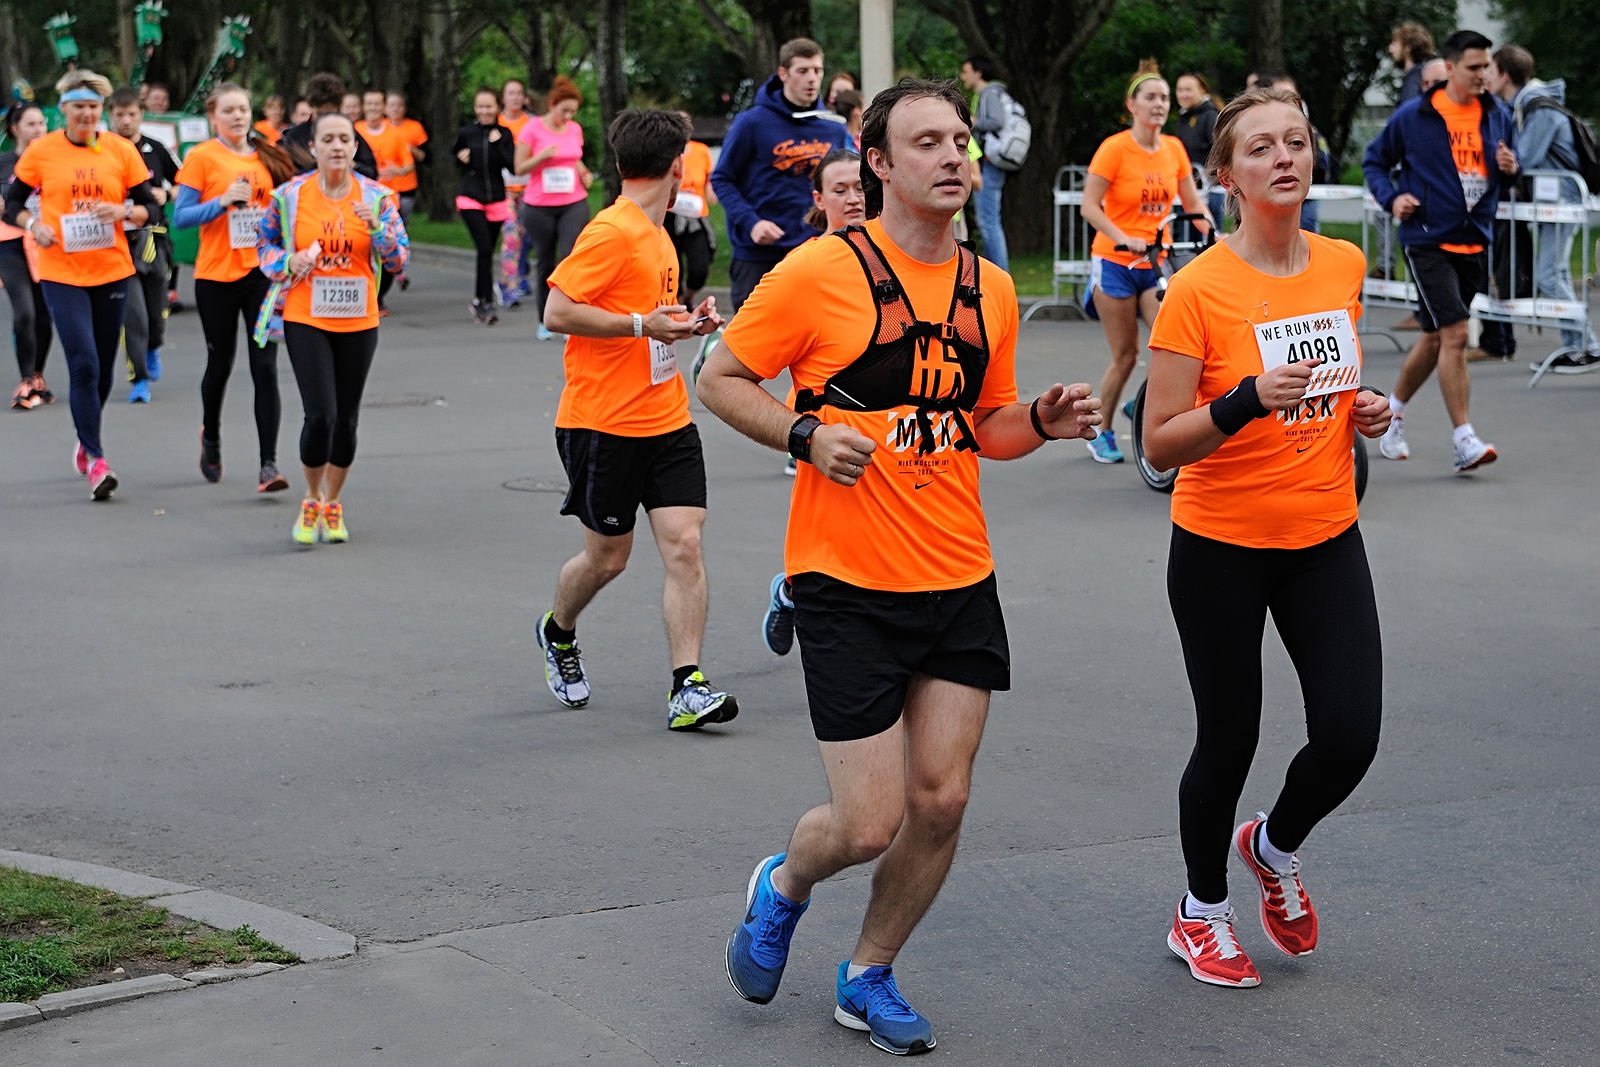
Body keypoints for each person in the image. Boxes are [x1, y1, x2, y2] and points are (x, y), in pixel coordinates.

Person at [698, 78, 1101, 1056]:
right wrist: (802, 433)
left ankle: (868, 971)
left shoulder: (991, 285)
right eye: (927, 142)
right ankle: (784, 884)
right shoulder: (816, 272)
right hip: (842, 577)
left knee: (944, 798)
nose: (954, 156)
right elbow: (717, 376)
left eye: (960, 139)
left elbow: (985, 423)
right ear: (877, 163)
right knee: (870, 819)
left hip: (958, 570)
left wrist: (1039, 422)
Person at [1142, 85, 1391, 991]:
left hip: (1325, 532)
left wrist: (1365, 407)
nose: (1284, 156)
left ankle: (1273, 843)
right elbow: (1158, 442)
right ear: (1227, 174)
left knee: (1351, 733)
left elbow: (1335, 390)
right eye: (1261, 148)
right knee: (1230, 738)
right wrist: (1246, 400)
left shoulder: (1342, 264)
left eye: (1297, 140)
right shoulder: (1199, 290)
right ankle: (1199, 909)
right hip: (1220, 544)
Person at [535, 108, 731, 731]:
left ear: (619, 163)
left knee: (686, 544)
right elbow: (557, 311)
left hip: (667, 418)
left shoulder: (658, 233)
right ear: (678, 166)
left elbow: (646, 317)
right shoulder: (611, 231)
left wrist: (682, 323)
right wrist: (641, 324)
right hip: (602, 424)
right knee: (607, 560)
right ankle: (558, 630)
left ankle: (687, 685)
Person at [2, 69, 162, 500]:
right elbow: (12, 206)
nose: (88, 114)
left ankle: (85, 436)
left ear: (101, 111)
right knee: (84, 363)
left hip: (112, 270)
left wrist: (125, 212)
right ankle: (96, 458)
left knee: (104, 367)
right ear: (65, 111)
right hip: (61, 272)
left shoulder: (121, 150)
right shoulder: (42, 152)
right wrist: (33, 225)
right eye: (79, 107)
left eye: (94, 107)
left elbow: (151, 207)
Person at [1363, 29, 1519, 473]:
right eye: (1473, 68)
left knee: (1434, 337)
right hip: (1427, 237)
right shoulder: (1415, 115)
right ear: (1449, 68)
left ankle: (1391, 413)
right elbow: (1375, 161)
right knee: (1455, 335)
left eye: (1486, 67)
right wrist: (1393, 199)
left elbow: (1505, 169)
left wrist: (1510, 169)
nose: (1483, 76)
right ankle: (1464, 439)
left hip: (1474, 237)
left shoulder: (1497, 114)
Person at [255, 111, 408, 545]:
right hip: (307, 316)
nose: (338, 146)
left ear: (355, 148)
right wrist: (289, 261)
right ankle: (311, 496)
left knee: (346, 420)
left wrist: (377, 229)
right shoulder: (289, 197)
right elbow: (263, 245)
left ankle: (334, 501)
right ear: (314, 148)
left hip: (359, 319)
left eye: (345, 138)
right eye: (329, 139)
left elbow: (399, 259)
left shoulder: (378, 198)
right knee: (319, 415)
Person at [758, 146, 864, 654]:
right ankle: (794, 590)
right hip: (826, 432)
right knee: (834, 536)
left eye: (860, 187)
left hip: (899, 430)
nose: (853, 199)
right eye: (839, 191)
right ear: (819, 199)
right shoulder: (805, 269)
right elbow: (763, 358)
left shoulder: (895, 256)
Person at [1080, 62, 1212, 464]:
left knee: (1174, 346)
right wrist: (1122, 237)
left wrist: (1216, 235)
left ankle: (1141, 406)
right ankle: (1099, 431)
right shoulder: (1115, 148)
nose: (1159, 105)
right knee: (1126, 355)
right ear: (1132, 105)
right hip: (1116, 262)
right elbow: (1089, 205)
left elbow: (1193, 204)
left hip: (1157, 263)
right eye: (1151, 97)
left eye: (1165, 98)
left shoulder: (1173, 147)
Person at [173, 81, 297, 491]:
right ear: (213, 117)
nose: (238, 116)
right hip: (216, 276)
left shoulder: (268, 154)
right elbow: (182, 217)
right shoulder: (201, 157)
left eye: (243, 109)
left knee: (265, 367)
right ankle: (210, 434)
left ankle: (269, 465)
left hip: (262, 276)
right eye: (228, 110)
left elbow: (288, 205)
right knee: (221, 364)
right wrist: (223, 202)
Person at [711, 37, 852, 311]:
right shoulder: (752, 122)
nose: (812, 79)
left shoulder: (832, 127)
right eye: (803, 71)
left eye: (818, 70)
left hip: (815, 249)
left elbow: (847, 183)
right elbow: (722, 179)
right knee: (755, 343)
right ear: (783, 74)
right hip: (759, 253)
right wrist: (752, 223)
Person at [1489, 45, 1599, 373]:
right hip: (1554, 202)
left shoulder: (1538, 109)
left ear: (1505, 75)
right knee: (1557, 272)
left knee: (1549, 275)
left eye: (1491, 71)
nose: (1486, 77)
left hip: (1561, 202)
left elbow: (1525, 158)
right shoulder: (1528, 106)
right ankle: (1577, 346)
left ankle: (1588, 346)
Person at [106, 87, 178, 404]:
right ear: (111, 116)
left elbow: (186, 180)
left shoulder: (155, 148)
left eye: (131, 114)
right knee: (131, 314)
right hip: (116, 242)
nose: (125, 120)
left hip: (154, 237)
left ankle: (153, 347)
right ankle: (139, 378)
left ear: (140, 114)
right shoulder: (102, 150)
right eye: (119, 114)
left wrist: (169, 194)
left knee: (155, 310)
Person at [513, 76, 593, 340]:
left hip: (573, 201)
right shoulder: (532, 129)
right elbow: (519, 168)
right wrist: (542, 156)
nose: (568, 116)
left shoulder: (574, 129)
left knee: (571, 259)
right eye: (564, 111)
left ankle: (571, 320)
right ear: (552, 104)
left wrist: (584, 172)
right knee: (546, 262)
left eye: (572, 112)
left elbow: (575, 158)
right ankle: (545, 320)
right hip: (539, 205)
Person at [1, 102, 54, 410]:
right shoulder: (4, 162)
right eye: (31, 124)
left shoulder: (52, 161)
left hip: (45, 243)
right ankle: (24, 379)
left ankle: (37, 376)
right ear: (15, 129)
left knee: (45, 317)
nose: (38, 130)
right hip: (9, 244)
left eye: (42, 124)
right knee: (25, 313)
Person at [453, 87, 515, 325]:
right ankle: (485, 302)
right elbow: (451, 157)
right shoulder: (467, 133)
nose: (484, 111)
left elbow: (513, 167)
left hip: (497, 199)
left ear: (497, 107)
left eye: (489, 106)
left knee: (487, 250)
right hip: (471, 197)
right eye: (480, 106)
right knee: (485, 249)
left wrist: (499, 145)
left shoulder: (505, 134)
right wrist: (461, 159)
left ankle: (479, 298)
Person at [960, 55, 1014, 273]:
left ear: (978, 72)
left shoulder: (989, 92)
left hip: (990, 164)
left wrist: (972, 122)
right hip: (989, 163)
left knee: (989, 222)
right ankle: (998, 274)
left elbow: (996, 121)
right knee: (989, 221)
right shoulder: (989, 93)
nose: (963, 76)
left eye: (966, 71)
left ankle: (1000, 276)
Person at [280, 73, 378, 180]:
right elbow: (282, 176)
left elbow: (371, 173)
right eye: (320, 114)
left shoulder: (348, 134)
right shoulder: (294, 137)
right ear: (311, 107)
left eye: (330, 114)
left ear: (339, 108)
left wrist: (350, 164)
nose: (325, 121)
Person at [668, 111, 717, 310]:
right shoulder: (665, 152)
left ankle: (689, 294)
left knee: (700, 267)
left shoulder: (701, 150)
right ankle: (677, 303)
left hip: (696, 218)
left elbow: (709, 176)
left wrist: (711, 190)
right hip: (670, 216)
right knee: (672, 264)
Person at [495, 79, 534, 308]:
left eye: (519, 93)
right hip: (504, 189)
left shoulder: (532, 122)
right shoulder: (496, 122)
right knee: (511, 237)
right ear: (503, 97)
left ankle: (506, 280)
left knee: (526, 238)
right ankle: (510, 286)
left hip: (530, 188)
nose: (515, 97)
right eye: (510, 93)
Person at [382, 91, 427, 293]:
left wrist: (409, 149)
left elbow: (425, 156)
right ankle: (396, 272)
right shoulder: (379, 129)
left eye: (399, 105)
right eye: (392, 105)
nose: (396, 109)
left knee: (400, 229)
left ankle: (398, 267)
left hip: (406, 186)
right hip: (383, 190)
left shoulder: (414, 127)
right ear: (385, 108)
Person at [1174, 72, 1223, 238]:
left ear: (1202, 90)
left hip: (1209, 194)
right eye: (1180, 90)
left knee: (1208, 244)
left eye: (1188, 89)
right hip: (1187, 192)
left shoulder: (1210, 116)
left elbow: (1219, 150)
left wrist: (1209, 177)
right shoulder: (1182, 117)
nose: (1183, 94)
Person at [1391, 22, 1437, 104]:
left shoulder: (1413, 80)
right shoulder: (1423, 75)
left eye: (1395, 43)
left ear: (1407, 48)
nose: (1390, 49)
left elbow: (1409, 114)